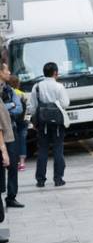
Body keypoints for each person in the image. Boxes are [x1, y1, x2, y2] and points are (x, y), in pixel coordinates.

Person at [27, 62, 69, 188]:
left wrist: (35, 121)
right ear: (55, 73)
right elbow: (65, 103)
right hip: (57, 124)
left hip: (42, 123)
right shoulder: (59, 87)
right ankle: (58, 179)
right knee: (58, 149)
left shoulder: (37, 87)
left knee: (43, 151)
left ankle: (40, 180)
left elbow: (32, 107)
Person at [0, 64, 24, 208]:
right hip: (2, 134)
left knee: (13, 166)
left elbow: (19, 107)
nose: (9, 72)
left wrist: (6, 108)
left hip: (11, 132)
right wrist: (9, 107)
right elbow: (11, 107)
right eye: (6, 69)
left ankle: (11, 197)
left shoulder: (9, 90)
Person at [8, 76, 27, 172]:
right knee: (22, 142)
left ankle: (14, 162)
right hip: (23, 121)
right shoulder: (22, 94)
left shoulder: (9, 94)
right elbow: (27, 108)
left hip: (13, 121)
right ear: (18, 84)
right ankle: (22, 163)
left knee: (13, 142)